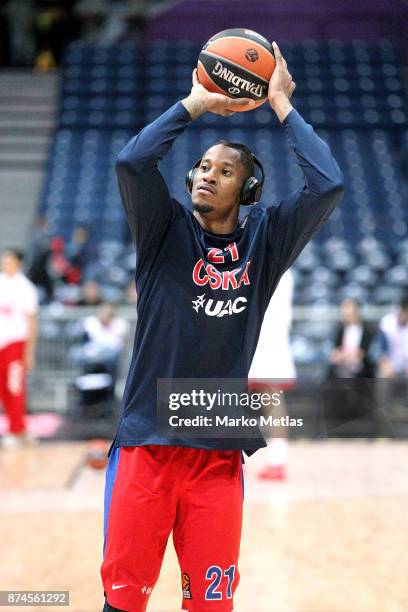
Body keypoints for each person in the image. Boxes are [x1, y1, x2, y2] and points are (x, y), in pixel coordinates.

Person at [101, 41, 344, 612]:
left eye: (225, 169)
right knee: (125, 601)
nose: (208, 175)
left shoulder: (266, 239)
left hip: (216, 449)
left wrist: (281, 103)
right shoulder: (163, 231)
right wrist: (194, 105)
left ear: (249, 189)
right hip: (147, 443)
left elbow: (327, 185)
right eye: (203, 166)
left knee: (211, 604)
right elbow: (132, 163)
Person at [248, 269, 296, 480]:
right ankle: (236, 457)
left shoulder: (279, 265)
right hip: (256, 336)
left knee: (271, 397)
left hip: (267, 339)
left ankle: (278, 459)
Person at [0, 247, 38, 448]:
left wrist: (29, 353)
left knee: (15, 387)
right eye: (4, 260)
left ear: (18, 263)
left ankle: (17, 430)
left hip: (16, 342)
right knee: (3, 389)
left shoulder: (25, 288)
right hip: (1, 343)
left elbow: (32, 321)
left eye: (9, 260)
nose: (5, 263)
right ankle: (17, 429)